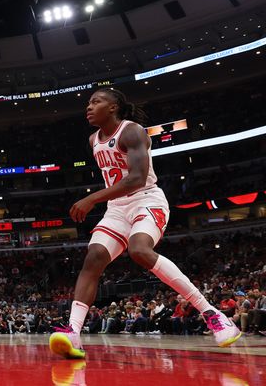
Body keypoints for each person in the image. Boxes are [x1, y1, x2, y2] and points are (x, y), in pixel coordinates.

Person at [49, 89, 241, 359]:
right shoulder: (93, 139)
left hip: (146, 199)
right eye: (89, 103)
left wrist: (91, 199)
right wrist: (102, 200)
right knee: (93, 257)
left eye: (96, 102)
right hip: (117, 208)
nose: (88, 107)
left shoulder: (133, 131)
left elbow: (137, 178)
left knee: (138, 250)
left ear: (113, 106)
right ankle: (73, 332)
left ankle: (213, 313)